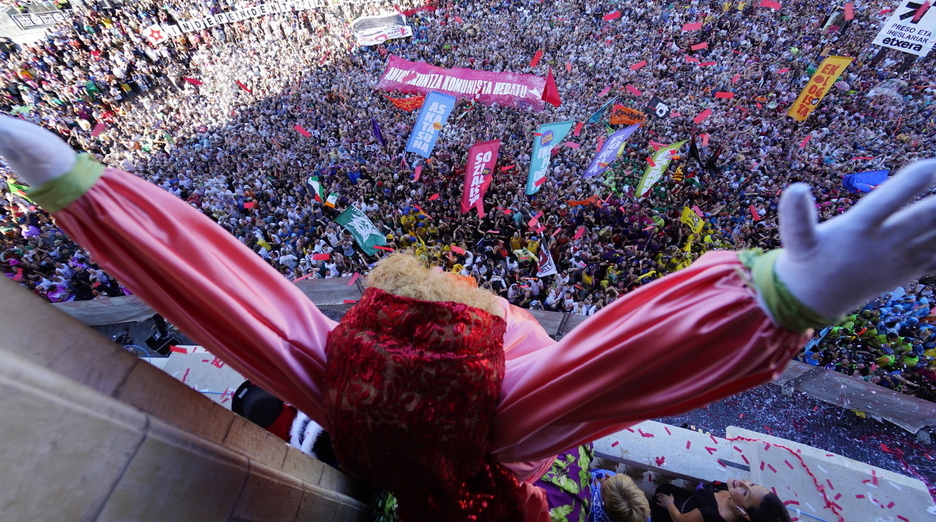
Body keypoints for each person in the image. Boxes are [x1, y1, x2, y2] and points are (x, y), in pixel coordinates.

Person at [1, 115, 935, 522]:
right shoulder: (494, 413)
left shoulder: (333, 373)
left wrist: (81, 190)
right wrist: (774, 300)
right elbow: (610, 373)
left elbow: (228, 301)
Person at [652, 480, 788, 522]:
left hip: (677, 512)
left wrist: (669, 503)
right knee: (665, 488)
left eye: (746, 492)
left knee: (660, 495)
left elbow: (680, 519)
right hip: (689, 500)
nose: (742, 483)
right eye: (752, 484)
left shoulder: (712, 513)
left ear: (745, 513)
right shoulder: (733, 491)